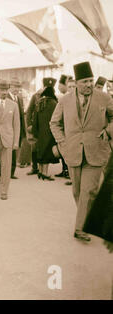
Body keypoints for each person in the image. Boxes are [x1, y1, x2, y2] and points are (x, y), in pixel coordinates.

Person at [50, 61, 113, 242]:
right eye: (84, 81)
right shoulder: (65, 100)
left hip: (96, 151)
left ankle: (81, 228)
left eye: (90, 81)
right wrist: (62, 142)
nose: (88, 85)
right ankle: (87, 217)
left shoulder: (104, 98)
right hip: (73, 152)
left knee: (88, 191)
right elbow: (54, 123)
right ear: (76, 83)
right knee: (77, 191)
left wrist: (108, 131)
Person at [32, 85, 59, 181]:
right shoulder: (54, 103)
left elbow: (34, 119)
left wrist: (35, 132)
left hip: (40, 132)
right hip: (50, 132)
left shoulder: (39, 103)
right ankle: (45, 173)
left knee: (40, 151)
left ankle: (40, 171)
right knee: (47, 152)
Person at [6, 78, 26, 179]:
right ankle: (4, 172)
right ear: (10, 87)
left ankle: (11, 172)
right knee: (7, 152)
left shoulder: (19, 98)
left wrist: (23, 131)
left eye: (18, 87)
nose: (16, 89)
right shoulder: (6, 98)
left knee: (15, 151)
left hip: (18, 129)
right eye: (14, 87)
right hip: (8, 129)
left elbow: (22, 115)